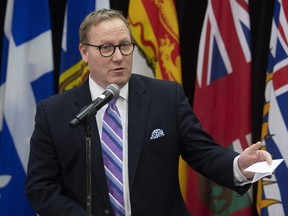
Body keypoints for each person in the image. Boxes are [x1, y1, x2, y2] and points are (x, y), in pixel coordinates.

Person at [25, 8, 272, 216]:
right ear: (84, 52)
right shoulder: (54, 112)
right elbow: (41, 187)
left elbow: (202, 152)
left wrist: (239, 165)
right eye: (106, 48)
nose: (119, 57)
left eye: (125, 45)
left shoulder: (166, 97)